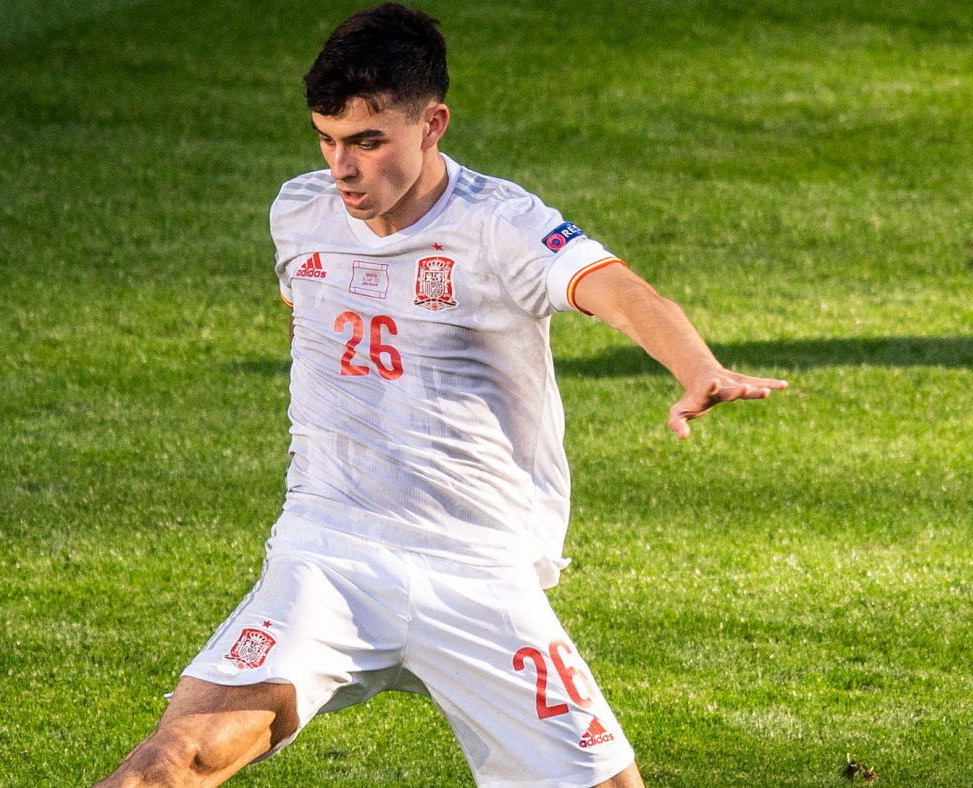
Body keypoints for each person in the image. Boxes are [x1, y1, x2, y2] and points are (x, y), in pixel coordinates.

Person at [95, 3, 787, 786]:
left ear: (432, 124)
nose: (342, 168)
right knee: (174, 759)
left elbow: (622, 292)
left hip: (476, 570)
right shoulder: (300, 213)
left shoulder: (501, 226)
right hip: (329, 552)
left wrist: (697, 368)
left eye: (367, 142)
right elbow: (311, 320)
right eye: (326, 139)